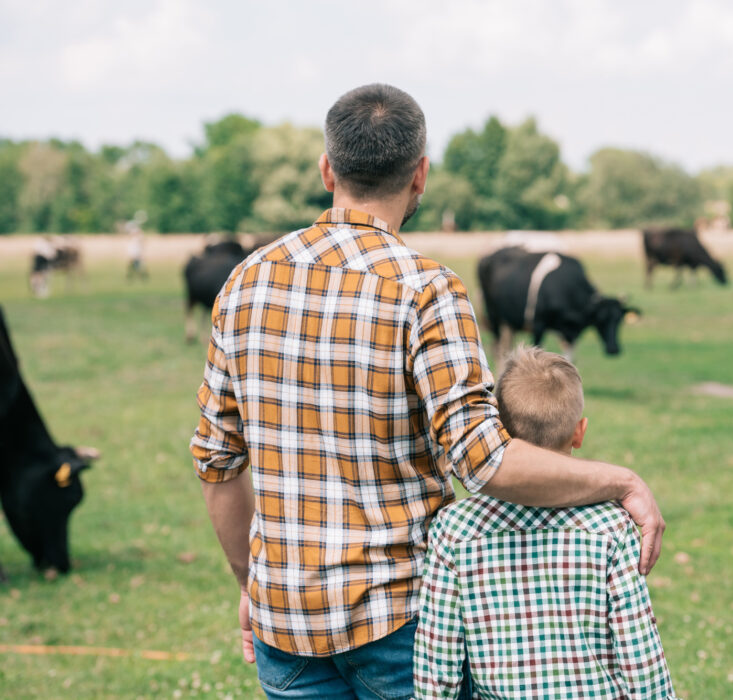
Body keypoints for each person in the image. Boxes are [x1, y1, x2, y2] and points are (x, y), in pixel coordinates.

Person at [190, 83, 665, 699]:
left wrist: (251, 586)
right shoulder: (427, 290)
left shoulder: (244, 282)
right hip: (404, 627)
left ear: (327, 169)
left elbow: (216, 462)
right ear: (421, 175)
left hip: (286, 624)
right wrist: (621, 481)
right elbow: (484, 459)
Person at [414, 346, 679, 699]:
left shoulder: (454, 529)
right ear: (579, 433)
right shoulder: (612, 527)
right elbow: (640, 656)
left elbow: (438, 658)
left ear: (499, 431)